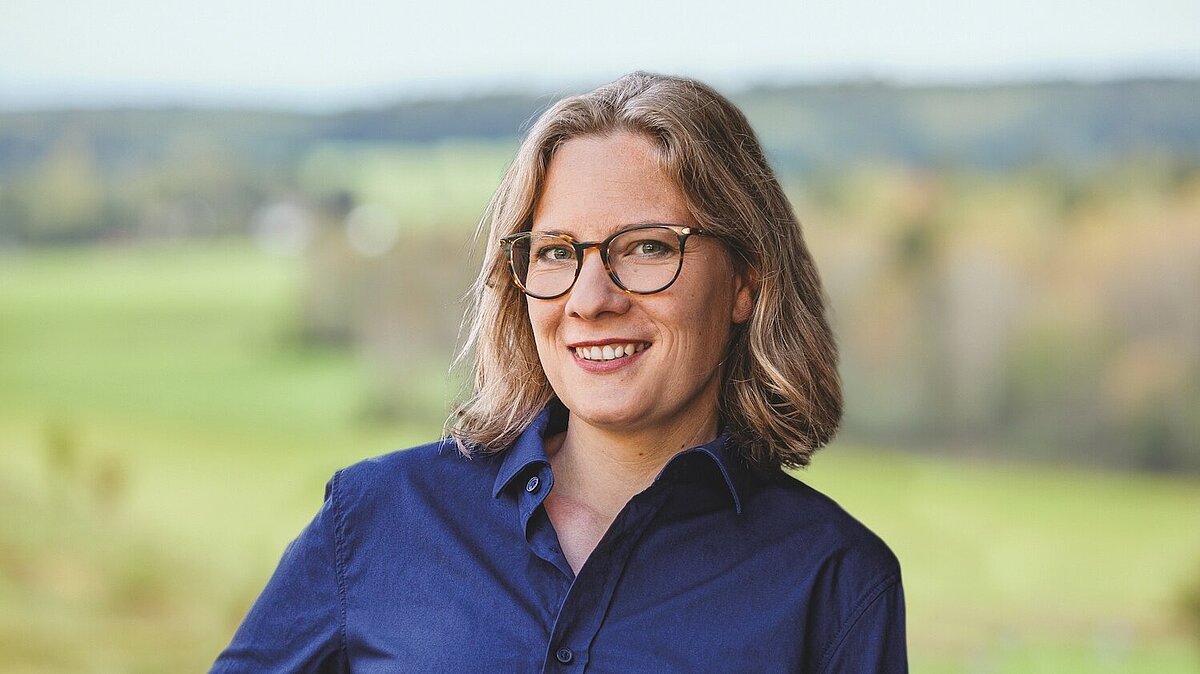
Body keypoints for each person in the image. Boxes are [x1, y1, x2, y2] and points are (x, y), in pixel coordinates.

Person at [213, 71, 906, 673]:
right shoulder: (377, 520)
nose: (590, 299)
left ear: (745, 282)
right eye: (555, 252)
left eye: (647, 247)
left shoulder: (835, 581)